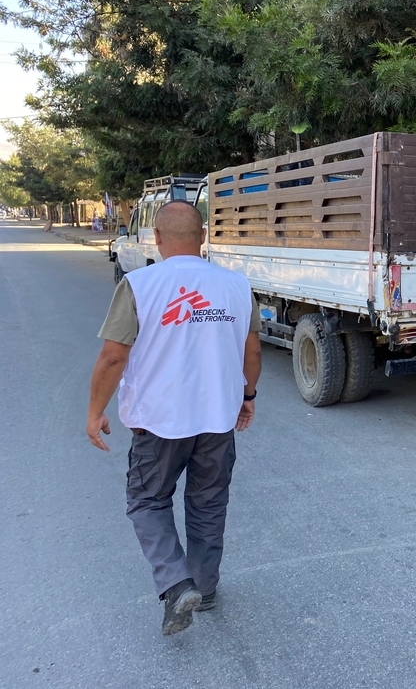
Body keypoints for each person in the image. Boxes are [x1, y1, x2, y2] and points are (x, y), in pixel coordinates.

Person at [86, 200, 262, 637]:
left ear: (157, 238)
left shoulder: (140, 285)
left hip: (158, 421)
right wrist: (248, 396)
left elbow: (112, 357)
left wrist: (95, 412)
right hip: (218, 420)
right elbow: (252, 350)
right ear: (202, 237)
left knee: (147, 501)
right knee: (208, 502)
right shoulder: (236, 286)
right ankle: (204, 585)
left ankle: (177, 583)